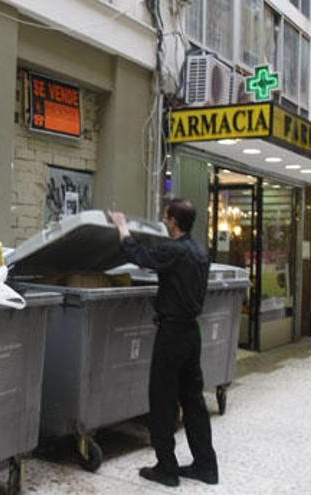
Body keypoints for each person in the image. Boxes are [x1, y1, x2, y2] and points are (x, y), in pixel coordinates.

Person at [109, 199, 218, 488]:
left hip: (171, 334)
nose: (163, 219)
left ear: (172, 221)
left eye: (165, 216)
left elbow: (138, 255)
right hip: (192, 333)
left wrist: (121, 226)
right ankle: (207, 467)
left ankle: (166, 469)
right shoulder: (199, 252)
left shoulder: (174, 250)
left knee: (162, 401)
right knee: (193, 401)